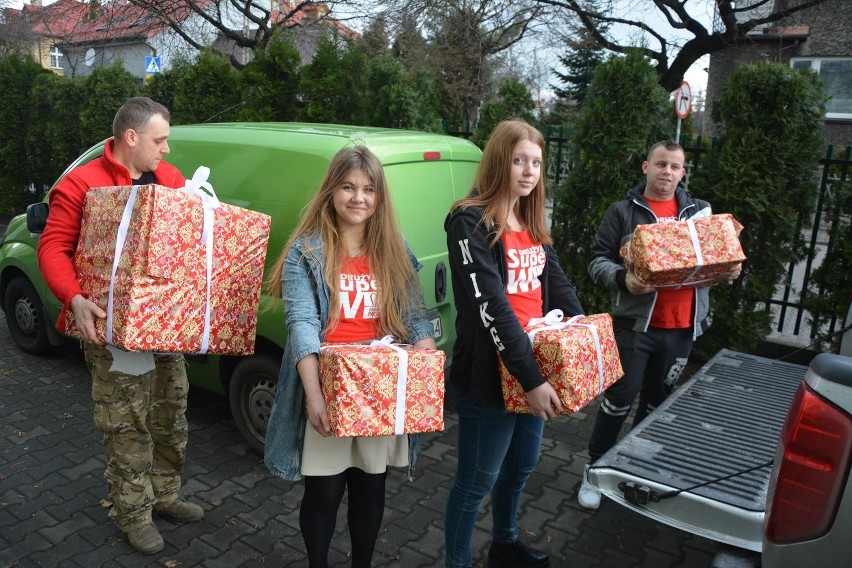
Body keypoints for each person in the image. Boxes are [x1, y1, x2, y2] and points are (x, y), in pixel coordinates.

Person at [36, 97, 203, 554]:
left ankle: (165, 495)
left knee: (171, 413)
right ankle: (133, 513)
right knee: (126, 423)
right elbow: (52, 248)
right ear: (131, 137)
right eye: (160, 140)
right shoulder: (81, 184)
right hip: (112, 333)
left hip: (165, 327)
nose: (166, 150)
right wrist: (74, 299)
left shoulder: (168, 180)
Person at [262, 145, 437, 568]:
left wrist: (424, 358)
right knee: (323, 490)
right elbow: (302, 325)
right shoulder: (308, 251)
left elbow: (414, 315)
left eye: (369, 189)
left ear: (379, 197)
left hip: (377, 387)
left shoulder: (393, 247)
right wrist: (314, 396)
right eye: (348, 187)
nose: (359, 198)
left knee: (370, 486)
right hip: (329, 385)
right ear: (331, 191)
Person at [443, 120, 584, 568]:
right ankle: (457, 562)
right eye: (519, 159)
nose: (528, 171)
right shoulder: (468, 221)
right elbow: (494, 308)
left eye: (536, 162)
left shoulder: (529, 217)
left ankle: (504, 545)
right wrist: (532, 379)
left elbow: (554, 282)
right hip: (492, 375)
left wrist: (583, 335)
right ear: (499, 160)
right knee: (476, 479)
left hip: (534, 367)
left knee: (522, 465)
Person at [577, 139, 742, 510]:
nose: (667, 172)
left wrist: (730, 268)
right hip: (636, 327)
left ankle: (632, 474)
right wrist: (624, 279)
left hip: (681, 329)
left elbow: (720, 258)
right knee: (619, 400)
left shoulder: (701, 213)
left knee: (656, 406)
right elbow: (596, 261)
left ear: (683, 173)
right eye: (660, 164)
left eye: (674, 166)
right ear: (645, 167)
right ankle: (594, 470)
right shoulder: (622, 213)